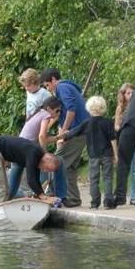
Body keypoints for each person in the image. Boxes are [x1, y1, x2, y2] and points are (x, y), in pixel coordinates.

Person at [40, 68, 90, 207]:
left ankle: (54, 195)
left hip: (77, 132)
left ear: (54, 80)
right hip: (80, 131)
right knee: (69, 167)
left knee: (55, 161)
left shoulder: (62, 87)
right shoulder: (67, 87)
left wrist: (65, 131)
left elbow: (71, 109)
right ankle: (73, 198)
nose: (48, 89)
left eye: (47, 85)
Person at [60, 96, 118, 209]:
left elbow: (74, 132)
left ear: (89, 108)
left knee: (94, 179)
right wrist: (116, 154)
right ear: (103, 107)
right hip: (107, 154)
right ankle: (108, 202)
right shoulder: (108, 122)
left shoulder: (87, 123)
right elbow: (113, 139)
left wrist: (63, 137)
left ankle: (95, 202)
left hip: (93, 155)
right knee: (107, 178)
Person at [10, 96, 68, 201]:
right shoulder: (45, 115)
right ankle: (60, 197)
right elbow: (42, 136)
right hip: (27, 150)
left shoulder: (38, 114)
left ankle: (7, 199)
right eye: (57, 110)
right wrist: (45, 154)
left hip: (19, 149)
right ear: (49, 108)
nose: (58, 113)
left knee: (14, 180)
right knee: (57, 162)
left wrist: (59, 137)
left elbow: (43, 137)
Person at [0, 135, 61, 204]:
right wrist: (44, 197)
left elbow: (35, 179)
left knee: (5, 190)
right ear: (46, 159)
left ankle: (2, 212)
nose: (45, 171)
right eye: (47, 168)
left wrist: (42, 195)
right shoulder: (34, 153)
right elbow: (31, 179)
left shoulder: (39, 156)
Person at [114, 83, 135, 205]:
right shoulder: (121, 108)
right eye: (128, 93)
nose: (130, 95)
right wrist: (120, 125)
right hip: (125, 139)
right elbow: (116, 126)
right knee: (124, 168)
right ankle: (121, 194)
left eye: (132, 92)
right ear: (123, 95)